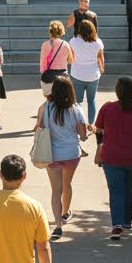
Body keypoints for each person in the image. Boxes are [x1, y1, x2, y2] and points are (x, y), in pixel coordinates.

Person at [95, 78, 132, 241]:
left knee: (116, 191)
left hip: (112, 157)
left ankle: (117, 226)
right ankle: (127, 221)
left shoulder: (107, 108)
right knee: (130, 189)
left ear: (117, 92)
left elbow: (98, 129)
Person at [34, 75, 88, 240]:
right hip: (72, 154)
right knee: (67, 184)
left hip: (53, 154)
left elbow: (39, 128)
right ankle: (65, 212)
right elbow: (83, 136)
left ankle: (58, 225)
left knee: (56, 190)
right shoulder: (76, 109)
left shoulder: (46, 108)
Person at [68, 18, 105, 127]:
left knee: (77, 102)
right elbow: (100, 57)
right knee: (91, 100)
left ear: (80, 30)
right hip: (93, 75)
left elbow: (71, 57)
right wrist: (102, 68)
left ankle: (78, 123)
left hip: (77, 74)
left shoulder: (73, 41)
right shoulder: (98, 42)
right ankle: (90, 123)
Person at [38, 20, 73, 98]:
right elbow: (70, 60)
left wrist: (44, 74)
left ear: (50, 32)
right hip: (63, 77)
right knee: (63, 100)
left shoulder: (45, 45)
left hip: (49, 76)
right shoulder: (66, 44)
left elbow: (42, 63)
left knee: (49, 100)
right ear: (61, 31)